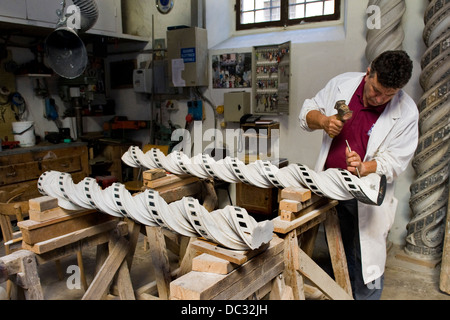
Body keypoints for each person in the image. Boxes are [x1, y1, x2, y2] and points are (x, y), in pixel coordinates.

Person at [298, 50, 419, 300]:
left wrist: (366, 167)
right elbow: (307, 111)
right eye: (376, 90)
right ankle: (342, 293)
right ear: (368, 73)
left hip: (366, 194)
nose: (379, 99)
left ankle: (366, 298)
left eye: (389, 94)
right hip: (331, 186)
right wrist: (323, 120)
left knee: (369, 257)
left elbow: (397, 161)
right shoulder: (342, 84)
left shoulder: (406, 112)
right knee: (340, 247)